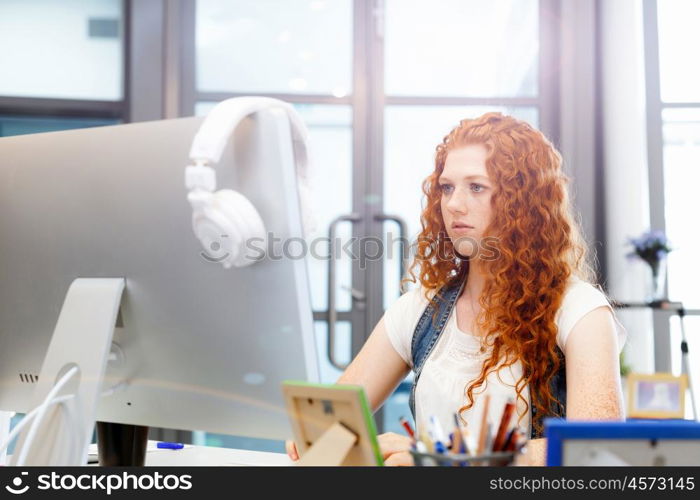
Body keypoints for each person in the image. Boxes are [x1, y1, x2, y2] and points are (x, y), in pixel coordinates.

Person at [287, 112, 627, 466]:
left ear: (523, 203)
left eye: (476, 187)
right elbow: (331, 420)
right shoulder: (420, 308)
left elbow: (597, 448)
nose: (453, 204)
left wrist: (441, 455)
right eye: (447, 187)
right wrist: (316, 436)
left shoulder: (579, 310)